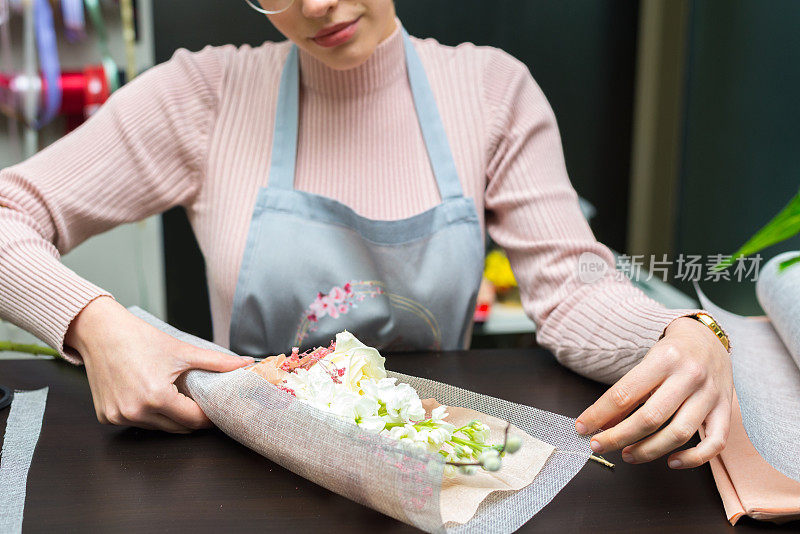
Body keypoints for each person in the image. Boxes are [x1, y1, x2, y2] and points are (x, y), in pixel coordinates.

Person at [0, 0, 732, 469]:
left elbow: (574, 294)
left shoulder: (490, 91)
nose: (316, 5)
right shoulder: (204, 95)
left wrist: (682, 331)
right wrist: (92, 325)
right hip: (250, 470)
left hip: (436, 461)